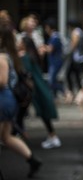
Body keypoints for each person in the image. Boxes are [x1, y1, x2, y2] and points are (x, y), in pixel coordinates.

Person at [0, 20, 42, 178]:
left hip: (3, 100)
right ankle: (32, 160)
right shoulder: (10, 55)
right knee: (6, 137)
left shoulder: (2, 57)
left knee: (5, 136)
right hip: (8, 100)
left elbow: (2, 81)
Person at [18, 35, 62, 149]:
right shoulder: (33, 56)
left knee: (21, 113)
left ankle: (16, 136)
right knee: (23, 113)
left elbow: (26, 73)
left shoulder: (25, 57)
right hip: (39, 87)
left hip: (33, 89)